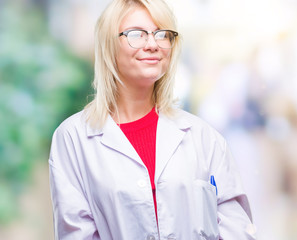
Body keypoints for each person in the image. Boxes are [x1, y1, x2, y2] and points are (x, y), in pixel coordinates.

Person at [48, 0, 256, 239]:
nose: (152, 44)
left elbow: (237, 230)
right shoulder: (73, 139)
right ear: (108, 46)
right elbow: (77, 233)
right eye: (136, 34)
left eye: (162, 34)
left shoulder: (205, 138)